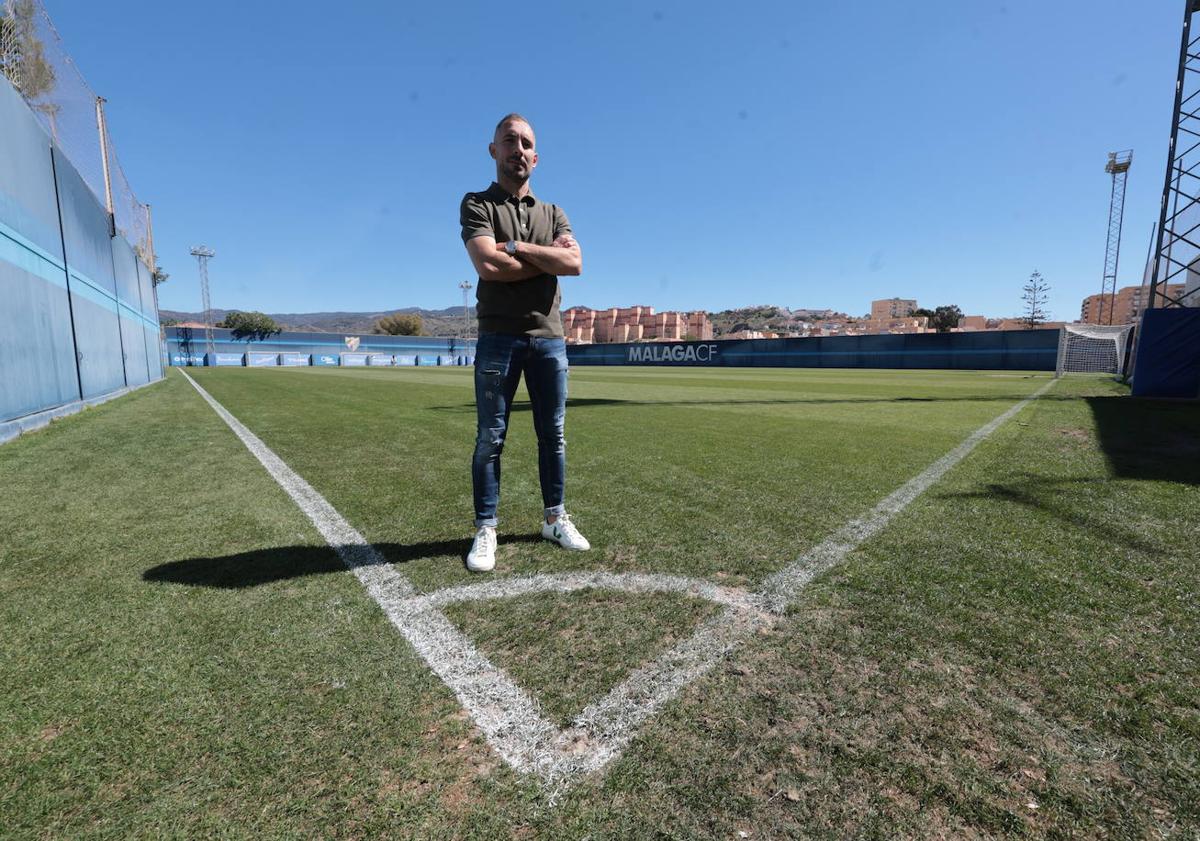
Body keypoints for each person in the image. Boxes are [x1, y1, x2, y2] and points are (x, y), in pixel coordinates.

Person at [459, 113, 591, 573]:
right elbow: (488, 268)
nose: (518, 149)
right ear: (493, 149)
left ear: (536, 156)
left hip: (549, 339)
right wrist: (545, 258)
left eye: (526, 143)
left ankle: (554, 518)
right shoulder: (477, 203)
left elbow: (574, 263)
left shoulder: (553, 212)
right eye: (509, 140)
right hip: (498, 337)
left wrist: (514, 247)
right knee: (490, 438)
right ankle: (486, 527)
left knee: (552, 435)